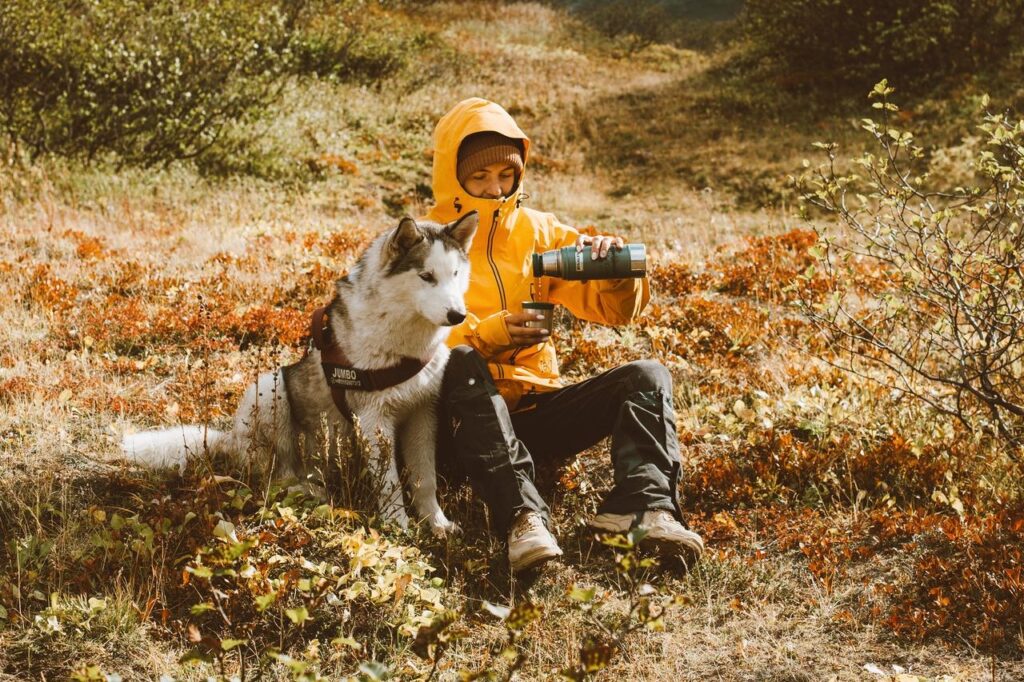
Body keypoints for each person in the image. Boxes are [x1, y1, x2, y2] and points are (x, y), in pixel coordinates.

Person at [423, 98, 704, 572]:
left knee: (646, 375)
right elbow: (407, 345)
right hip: (453, 426)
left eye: (506, 175)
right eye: (480, 177)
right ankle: (522, 520)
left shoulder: (539, 231)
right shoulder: (425, 242)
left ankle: (642, 509)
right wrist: (485, 336)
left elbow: (618, 312)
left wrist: (615, 271)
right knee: (463, 362)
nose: (495, 188)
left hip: (532, 413)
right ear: (454, 178)